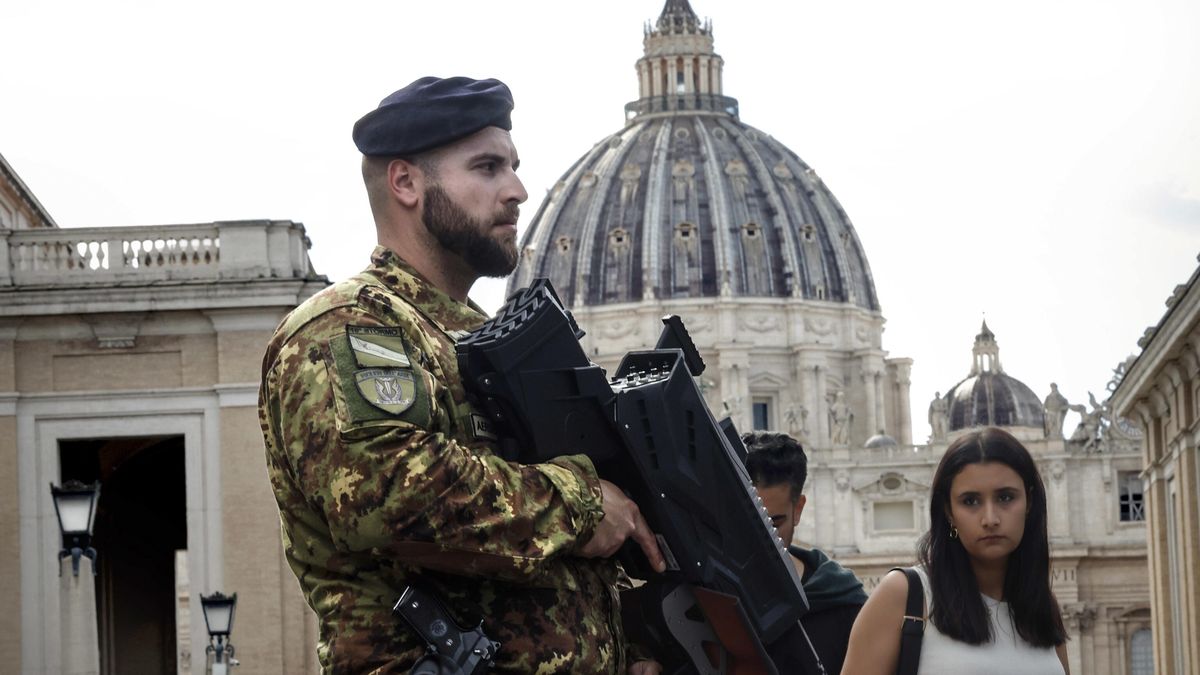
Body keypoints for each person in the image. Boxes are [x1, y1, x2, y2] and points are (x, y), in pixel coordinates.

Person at [258, 76, 665, 674]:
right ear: (406, 183)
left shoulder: (478, 338)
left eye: (514, 167)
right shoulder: (352, 328)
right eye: (487, 168)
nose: (519, 191)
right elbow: (392, 496)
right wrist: (580, 504)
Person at [841, 427, 1070, 674]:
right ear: (948, 512)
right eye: (970, 501)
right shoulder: (901, 595)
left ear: (1030, 502)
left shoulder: (1042, 605)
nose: (990, 518)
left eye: (1005, 498)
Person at [742, 432, 868, 674]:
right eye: (749, 523)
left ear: (797, 509)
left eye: (774, 524)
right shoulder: (700, 593)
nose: (761, 540)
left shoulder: (846, 605)